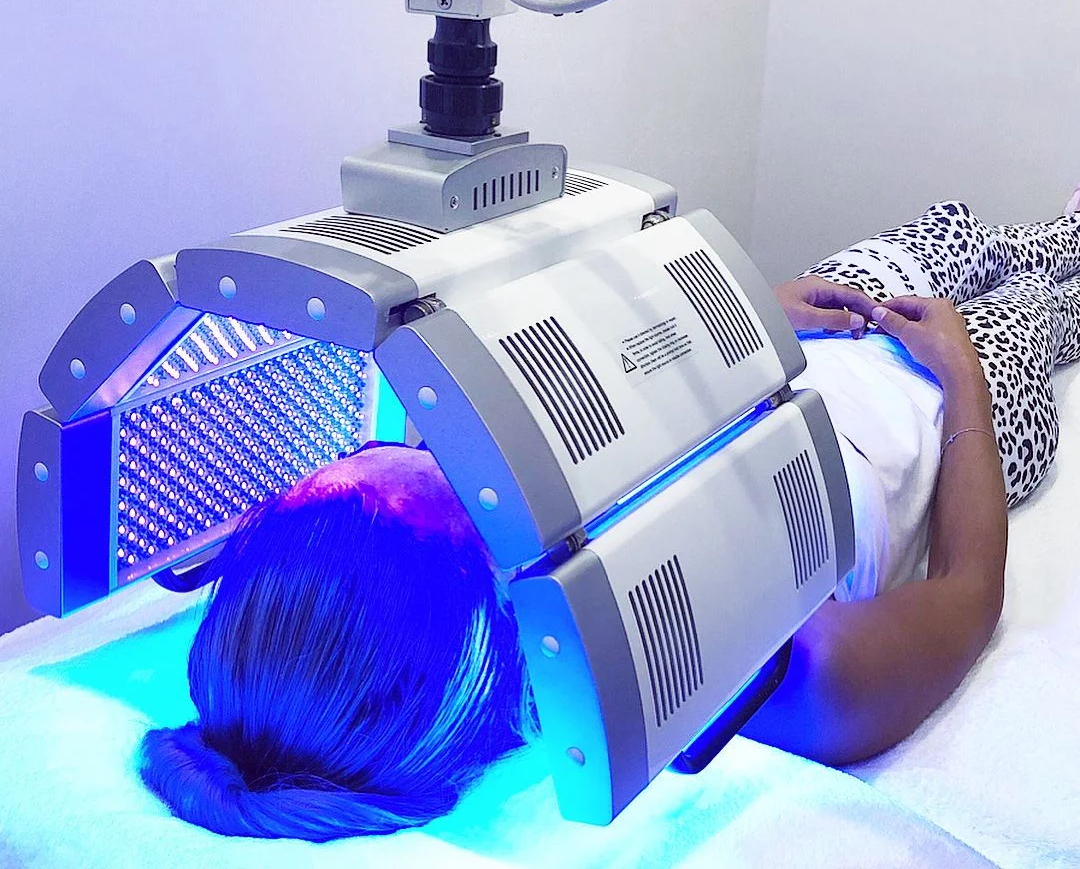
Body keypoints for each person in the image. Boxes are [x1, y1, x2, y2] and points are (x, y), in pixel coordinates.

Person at [140, 201, 1080, 840]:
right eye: (419, 479)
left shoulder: (475, 506)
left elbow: (604, 384)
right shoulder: (759, 673)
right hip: (937, 408)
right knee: (1047, 303)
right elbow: (969, 592)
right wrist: (962, 376)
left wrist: (749, 317)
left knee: (969, 227)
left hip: (798, 334)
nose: (417, 450)